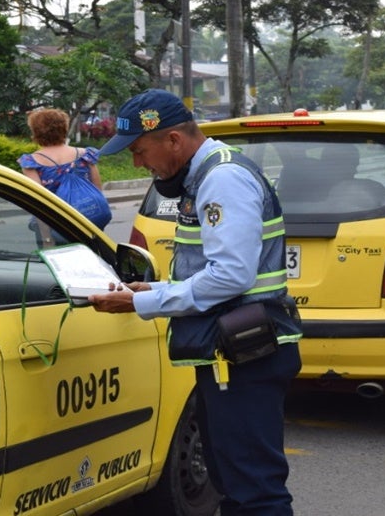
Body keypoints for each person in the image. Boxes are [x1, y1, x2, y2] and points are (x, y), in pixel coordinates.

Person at [88, 89, 302, 516]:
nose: (137, 163)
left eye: (139, 150)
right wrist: (152, 289)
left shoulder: (221, 178)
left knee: (253, 490)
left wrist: (145, 303)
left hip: (245, 355)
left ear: (173, 141)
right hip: (233, 352)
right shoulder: (204, 177)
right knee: (233, 480)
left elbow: (231, 275)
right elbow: (211, 268)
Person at [17, 107, 109, 232]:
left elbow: (40, 204)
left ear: (35, 132)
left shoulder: (32, 163)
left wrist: (47, 239)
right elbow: (97, 191)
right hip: (89, 223)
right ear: (64, 129)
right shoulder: (85, 155)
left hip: (58, 227)